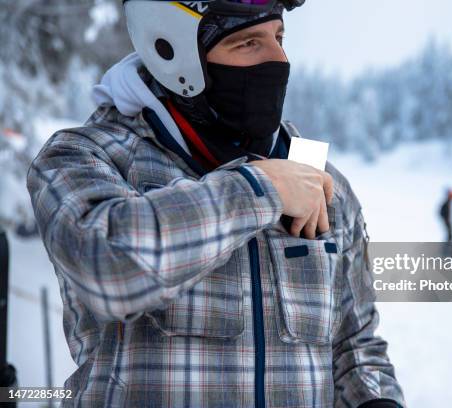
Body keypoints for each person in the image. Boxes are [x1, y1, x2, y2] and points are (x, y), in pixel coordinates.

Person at [26, 1, 405, 407]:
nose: (279, 59)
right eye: (248, 43)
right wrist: (260, 190)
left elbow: (355, 343)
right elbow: (108, 265)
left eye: (280, 38)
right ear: (178, 56)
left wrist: (375, 400)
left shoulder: (318, 180)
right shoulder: (85, 157)